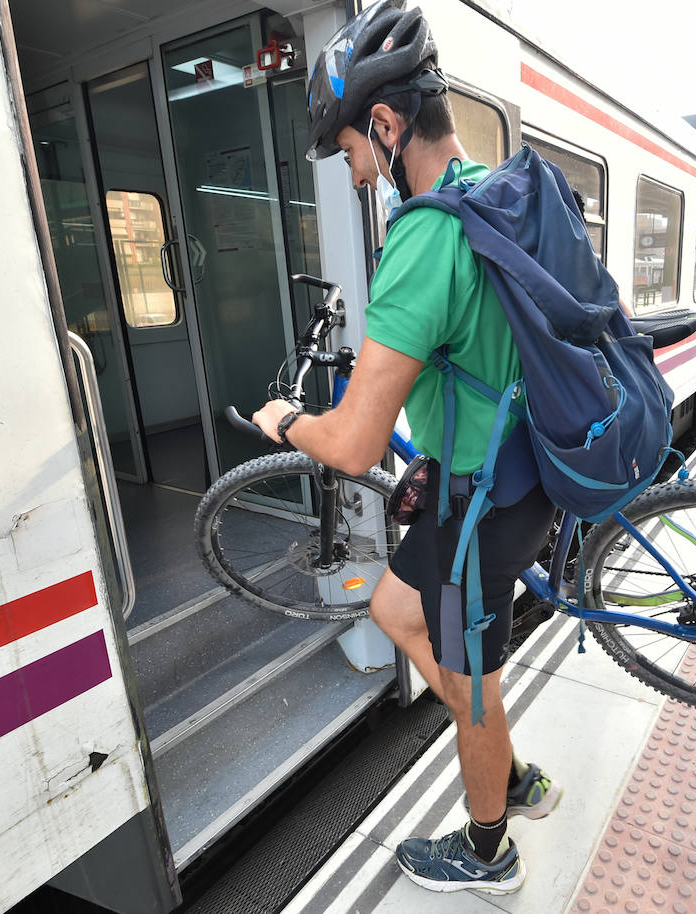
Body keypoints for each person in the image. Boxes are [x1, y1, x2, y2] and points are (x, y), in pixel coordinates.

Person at [252, 0, 559, 895]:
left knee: (474, 679)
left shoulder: (424, 239)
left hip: (480, 506)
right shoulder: (493, 194)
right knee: (393, 611)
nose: (355, 173)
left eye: (351, 152)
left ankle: (489, 849)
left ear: (384, 125)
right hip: (512, 475)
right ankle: (505, 758)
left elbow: (349, 445)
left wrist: (287, 423)